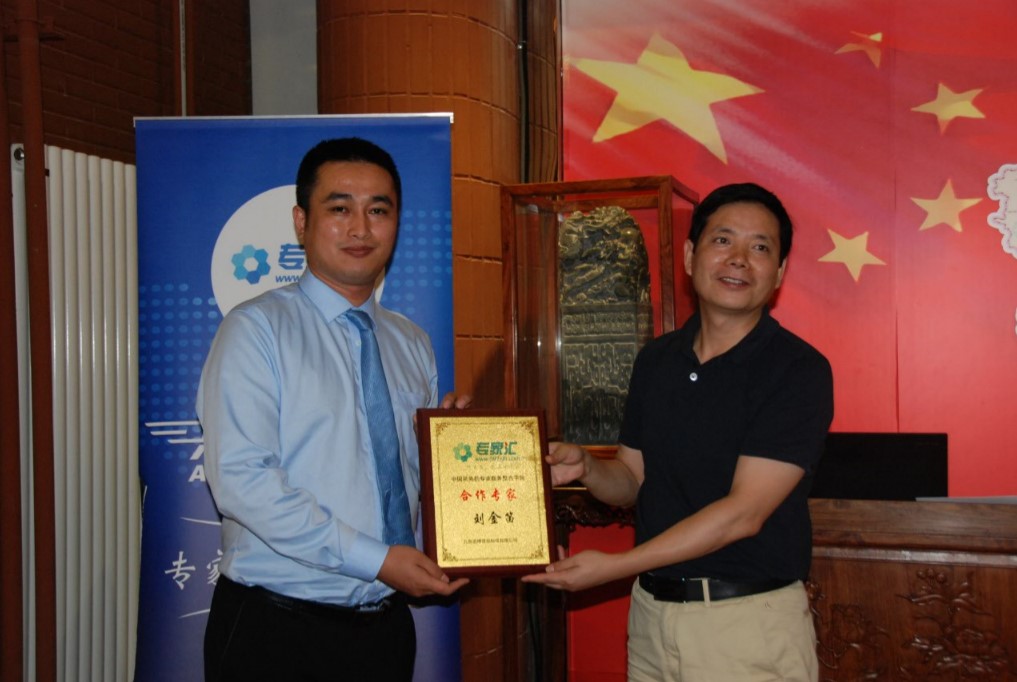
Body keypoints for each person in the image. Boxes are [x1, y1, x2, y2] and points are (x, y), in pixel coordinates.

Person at [523, 183, 834, 682]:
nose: (738, 259)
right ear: (690, 255)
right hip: (651, 618)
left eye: (759, 247)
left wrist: (615, 567)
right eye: (722, 240)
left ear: (778, 273)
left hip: (746, 627)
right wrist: (589, 467)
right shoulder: (657, 360)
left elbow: (743, 514)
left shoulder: (797, 370)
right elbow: (632, 478)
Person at [197, 137, 469, 681]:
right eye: (340, 209)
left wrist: (454, 451)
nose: (360, 229)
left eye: (378, 211)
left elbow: (404, 476)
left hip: (385, 626)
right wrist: (378, 559)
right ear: (302, 222)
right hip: (276, 630)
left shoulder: (412, 342)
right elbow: (243, 481)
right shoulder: (255, 331)